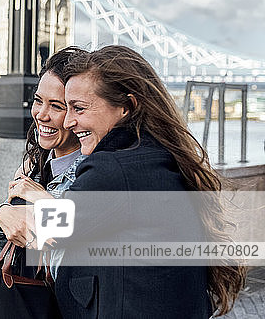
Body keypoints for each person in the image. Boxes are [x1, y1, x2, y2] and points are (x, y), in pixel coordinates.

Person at [36, 45, 245, 318]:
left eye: (79, 108)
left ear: (127, 107)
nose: (69, 122)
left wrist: (13, 207)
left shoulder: (113, 168)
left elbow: (41, 231)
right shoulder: (159, 154)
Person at [0, 47, 87, 254]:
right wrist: (0, 215)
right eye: (38, 101)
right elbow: (1, 240)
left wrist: (43, 200)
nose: (41, 115)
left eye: (56, 106)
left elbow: (84, 239)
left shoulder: (94, 169)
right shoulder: (36, 162)